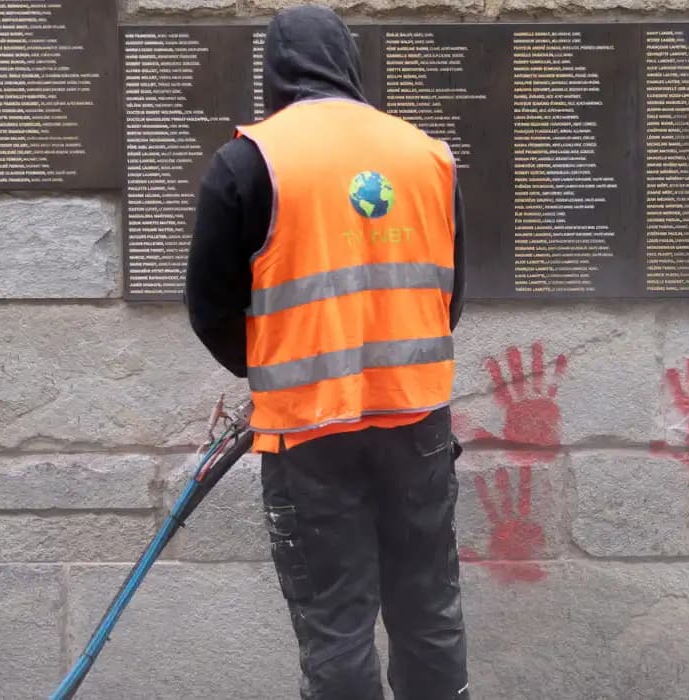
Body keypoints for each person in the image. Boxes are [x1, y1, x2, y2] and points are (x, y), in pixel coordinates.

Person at [182, 5, 470, 699]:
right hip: (416, 428)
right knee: (428, 613)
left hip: (308, 434)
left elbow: (209, 307)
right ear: (349, 61)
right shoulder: (427, 156)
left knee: (336, 629)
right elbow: (448, 296)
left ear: (275, 71)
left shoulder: (249, 162)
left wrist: (275, 369)